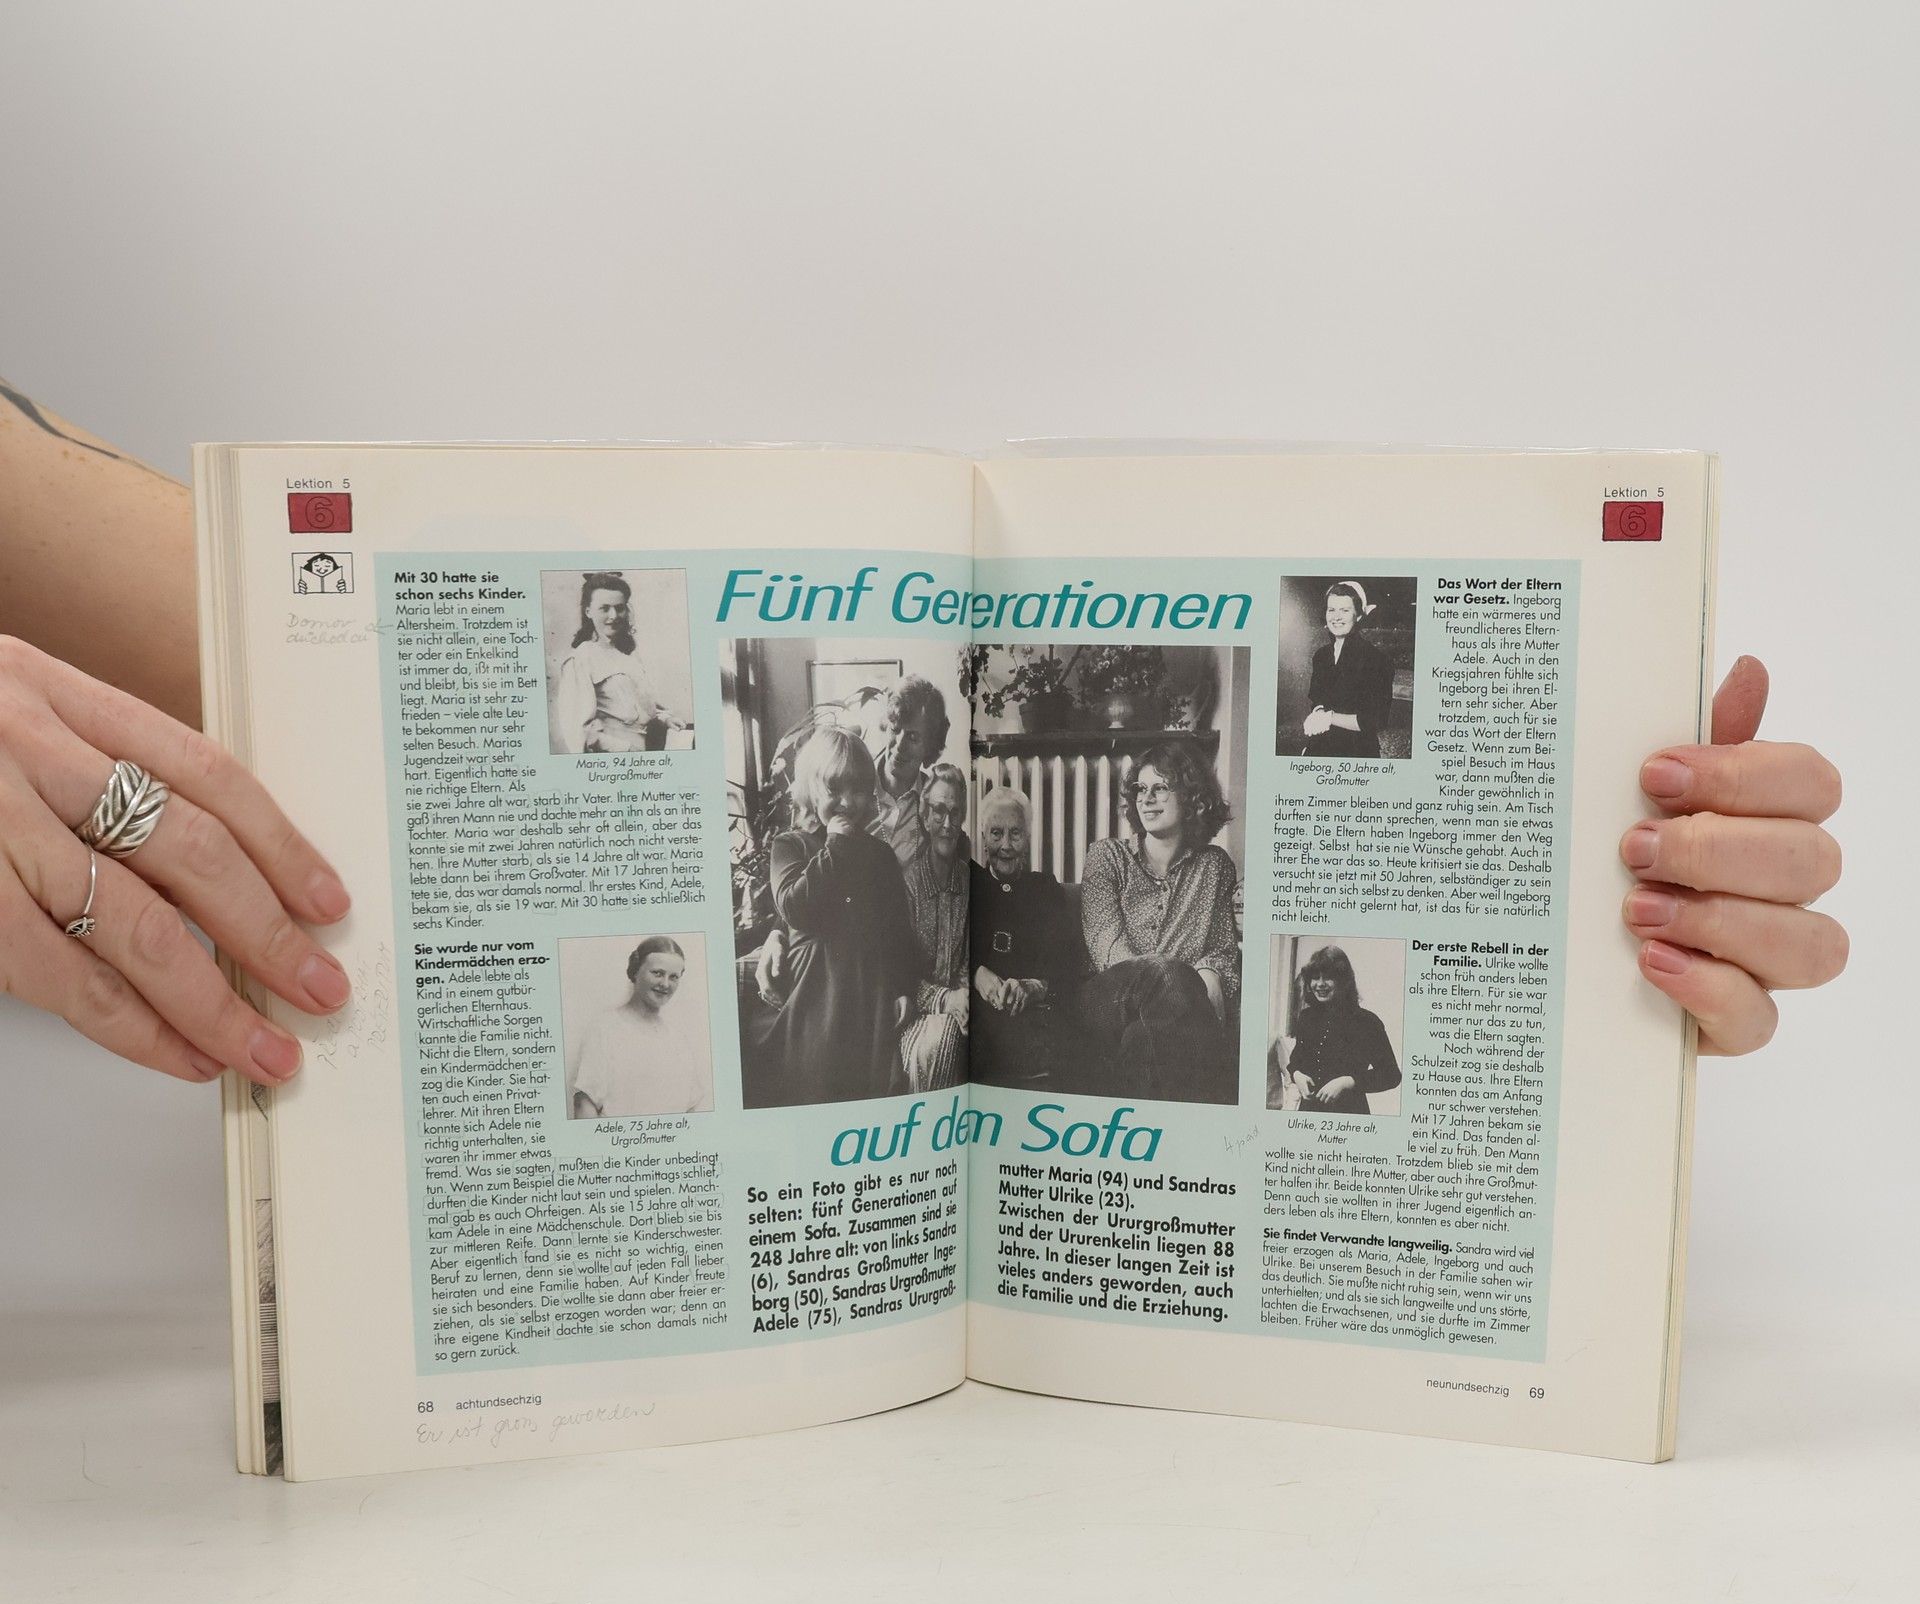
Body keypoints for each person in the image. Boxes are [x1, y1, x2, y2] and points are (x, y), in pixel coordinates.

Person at [0, 381, 1850, 1085]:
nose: (880, 773)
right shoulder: (849, 853)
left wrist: (1579, 833)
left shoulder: (1038, 854)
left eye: (888, 760)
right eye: (859, 759)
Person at [752, 726, 921, 1107]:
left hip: (866, 989)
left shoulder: (879, 855)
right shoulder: (789, 845)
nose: (847, 802)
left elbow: (897, 931)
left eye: (858, 789)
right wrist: (836, 846)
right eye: (834, 789)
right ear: (811, 790)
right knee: (814, 1078)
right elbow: (795, 908)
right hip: (814, 989)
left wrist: (903, 988)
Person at [1076, 738, 1242, 1104]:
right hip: (1106, 999)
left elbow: (1221, 949)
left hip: (1169, 1018)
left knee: (1142, 1039)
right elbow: (1106, 948)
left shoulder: (1215, 866)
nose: (1147, 798)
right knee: (1170, 975)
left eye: (1161, 787)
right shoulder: (1107, 856)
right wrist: (1178, 980)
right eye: (1141, 788)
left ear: (1193, 798)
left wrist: (1211, 973)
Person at [969, 784, 1087, 1089]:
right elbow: (951, 953)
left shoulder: (1045, 889)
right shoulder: (970, 884)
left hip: (1038, 1019)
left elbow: (1068, 964)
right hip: (983, 1022)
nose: (1006, 845)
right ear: (983, 837)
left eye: (1016, 834)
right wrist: (977, 975)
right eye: (996, 833)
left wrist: (1035, 986)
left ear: (1028, 838)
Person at [570, 936, 712, 1119]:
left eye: (673, 977)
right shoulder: (604, 1029)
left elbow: (690, 1110)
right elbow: (584, 1106)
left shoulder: (677, 1038)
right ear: (635, 971)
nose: (665, 984)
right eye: (657, 973)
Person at [552, 571, 688, 753]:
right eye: (604, 608)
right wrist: (626, 749)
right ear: (588, 611)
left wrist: (665, 718)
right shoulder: (580, 659)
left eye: (619, 608)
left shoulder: (629, 655)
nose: (614, 615)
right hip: (613, 756)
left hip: (648, 749)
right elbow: (577, 731)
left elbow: (640, 708)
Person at [897, 763, 970, 1093]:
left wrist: (964, 998)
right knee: (939, 1042)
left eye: (955, 813)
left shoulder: (968, 882)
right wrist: (946, 1000)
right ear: (925, 818)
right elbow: (899, 972)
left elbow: (969, 960)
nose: (948, 824)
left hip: (961, 1008)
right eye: (939, 811)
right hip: (915, 1013)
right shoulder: (908, 885)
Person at [1271, 944, 1402, 1114]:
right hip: (1309, 1111)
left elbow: (1391, 1075)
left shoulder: (1367, 1022)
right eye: (1315, 978)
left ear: (1343, 981)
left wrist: (1348, 1082)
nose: (1320, 984)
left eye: (1327, 978)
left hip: (1349, 1114)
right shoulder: (1307, 1017)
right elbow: (1297, 1060)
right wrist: (1297, 1075)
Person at [1301, 579, 1395, 757]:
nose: (1336, 617)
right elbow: (1317, 698)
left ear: (1358, 616)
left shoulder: (1376, 659)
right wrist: (1318, 712)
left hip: (1356, 752)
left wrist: (1329, 717)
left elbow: (1375, 720)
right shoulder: (1321, 656)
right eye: (1331, 610)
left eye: (1345, 610)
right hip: (1319, 748)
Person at [870, 674, 949, 863]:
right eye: (895, 729)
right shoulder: (854, 787)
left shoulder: (935, 801)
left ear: (930, 746)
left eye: (913, 737)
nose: (899, 745)